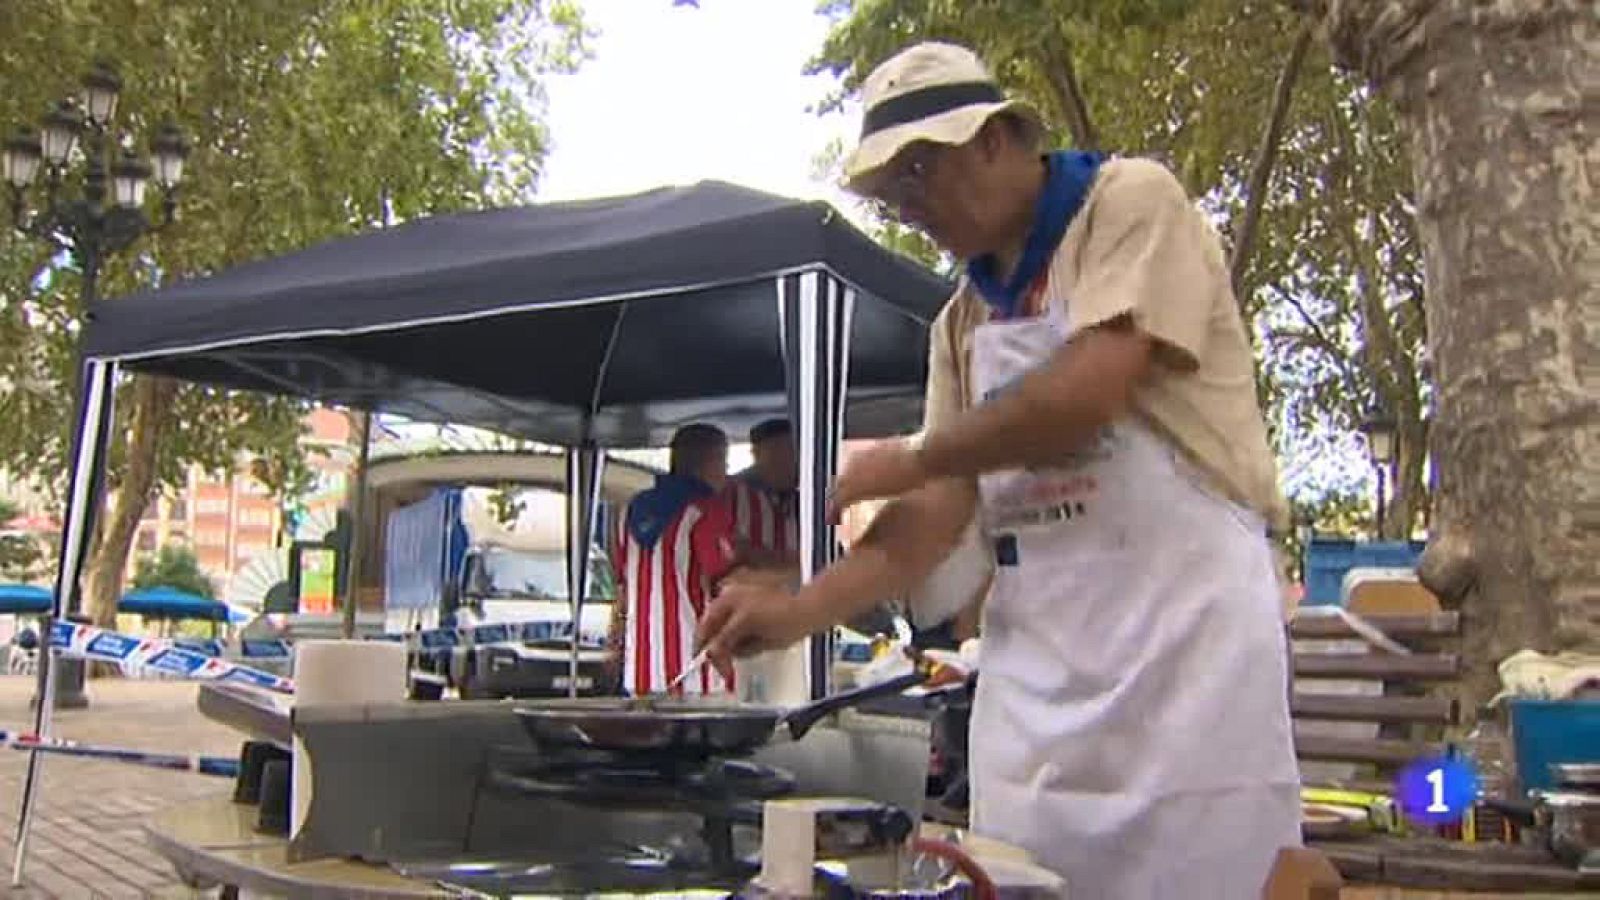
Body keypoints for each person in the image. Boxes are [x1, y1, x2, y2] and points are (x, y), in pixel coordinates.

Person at [696, 41, 1301, 898]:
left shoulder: (1128, 203)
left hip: (1185, 662)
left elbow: (1087, 390)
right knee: (1014, 879)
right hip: (1041, 694)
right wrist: (797, 612)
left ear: (993, 139)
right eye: (891, 190)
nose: (908, 205)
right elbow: (932, 520)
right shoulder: (962, 320)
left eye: (918, 171)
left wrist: (912, 454)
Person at [608, 423, 739, 695]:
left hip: (640, 671)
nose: (725, 474)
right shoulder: (704, 510)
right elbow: (727, 580)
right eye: (723, 463)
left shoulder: (628, 511)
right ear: (709, 463)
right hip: (695, 673)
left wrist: (615, 641)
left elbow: (622, 588)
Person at [724, 418, 800, 566]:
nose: (786, 461)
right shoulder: (730, 495)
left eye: (792, 452)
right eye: (776, 452)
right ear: (755, 454)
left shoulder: (810, 495)